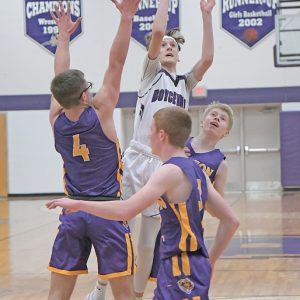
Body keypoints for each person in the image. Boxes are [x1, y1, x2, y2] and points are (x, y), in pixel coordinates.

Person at [46, 106, 240, 300]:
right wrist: (210, 261)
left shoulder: (169, 171)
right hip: (184, 263)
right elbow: (231, 220)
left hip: (181, 264)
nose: (148, 135)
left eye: (151, 129)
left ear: (162, 135)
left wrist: (79, 204)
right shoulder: (197, 171)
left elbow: (125, 210)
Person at [119, 0, 216, 298]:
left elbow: (208, 59)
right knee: (117, 231)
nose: (169, 47)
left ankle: (136, 295)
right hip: (137, 158)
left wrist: (206, 15)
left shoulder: (185, 84)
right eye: (165, 45)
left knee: (148, 239)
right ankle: (102, 284)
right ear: (157, 50)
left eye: (174, 45)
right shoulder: (151, 74)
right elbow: (158, 30)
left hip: (162, 165)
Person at [47, 1, 140, 300]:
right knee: (124, 295)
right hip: (108, 211)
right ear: (86, 94)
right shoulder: (100, 111)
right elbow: (117, 62)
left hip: (72, 210)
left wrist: (63, 38)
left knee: (57, 294)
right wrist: (126, 18)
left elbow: (59, 74)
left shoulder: (56, 119)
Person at [149, 101, 234, 280]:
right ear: (202, 121)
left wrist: (199, 182)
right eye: (213, 114)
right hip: (160, 217)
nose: (217, 118)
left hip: (188, 230)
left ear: (226, 133)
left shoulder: (220, 164)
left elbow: (218, 208)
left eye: (223, 118)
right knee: (147, 269)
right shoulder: (179, 144)